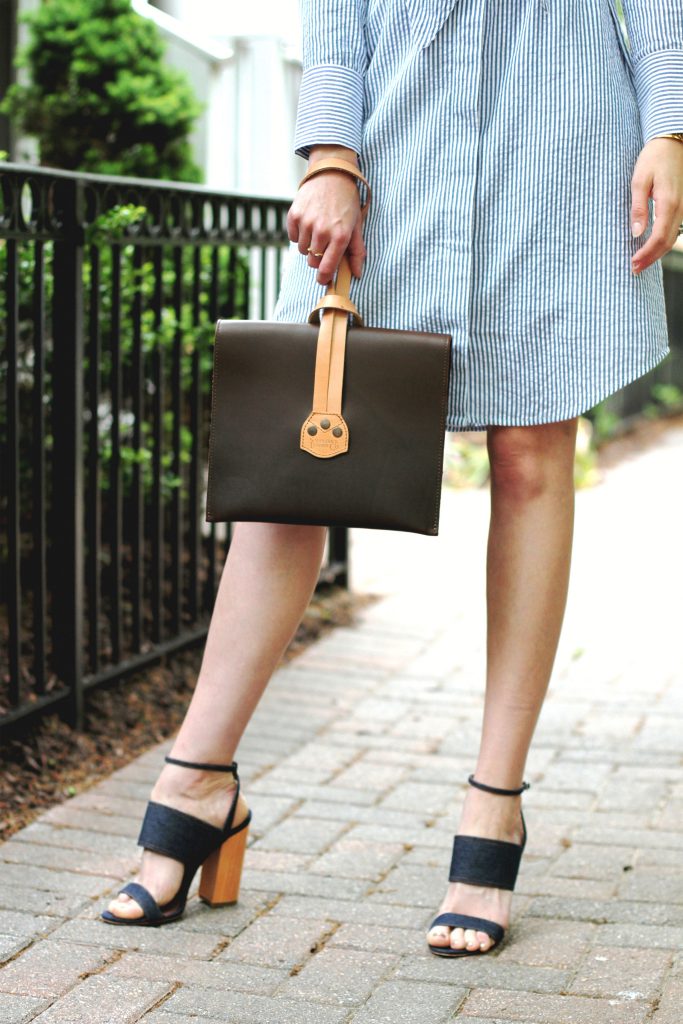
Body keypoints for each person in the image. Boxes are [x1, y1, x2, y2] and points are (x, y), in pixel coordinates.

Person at [101, 0, 683, 956]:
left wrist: (666, 126)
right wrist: (329, 156)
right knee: (294, 467)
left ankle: (494, 806)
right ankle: (197, 779)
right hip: (394, 138)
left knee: (532, 453)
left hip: (564, 134)